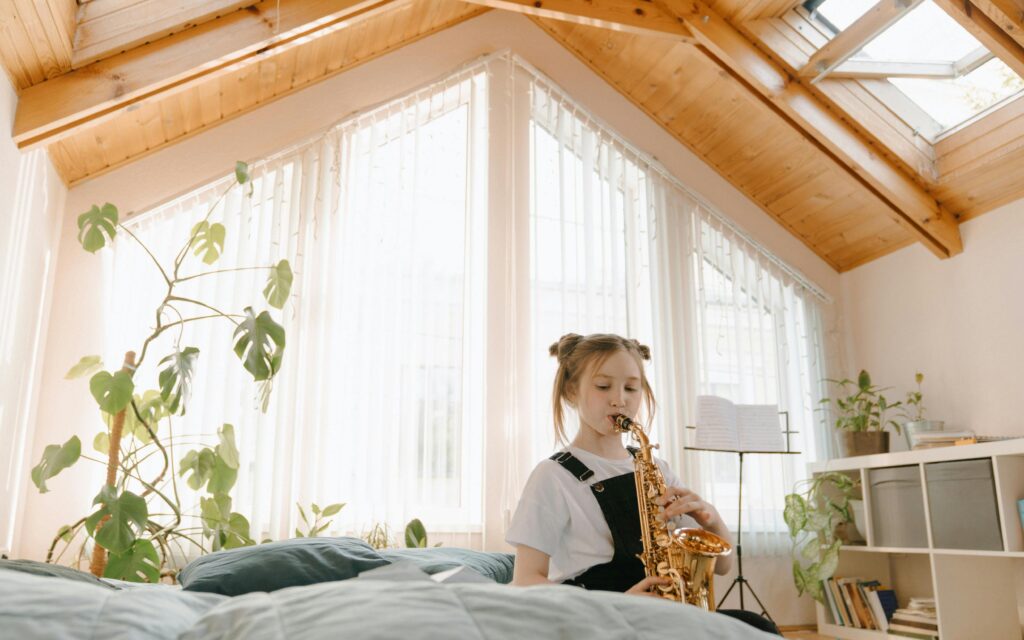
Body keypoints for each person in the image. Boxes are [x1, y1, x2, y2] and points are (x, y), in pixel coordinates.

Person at [506, 333, 780, 635]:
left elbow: (724, 567)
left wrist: (710, 518)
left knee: (756, 625)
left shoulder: (657, 468)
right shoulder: (552, 475)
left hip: (665, 614)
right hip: (601, 622)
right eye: (602, 386)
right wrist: (617, 607)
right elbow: (525, 581)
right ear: (571, 391)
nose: (619, 399)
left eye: (631, 388)